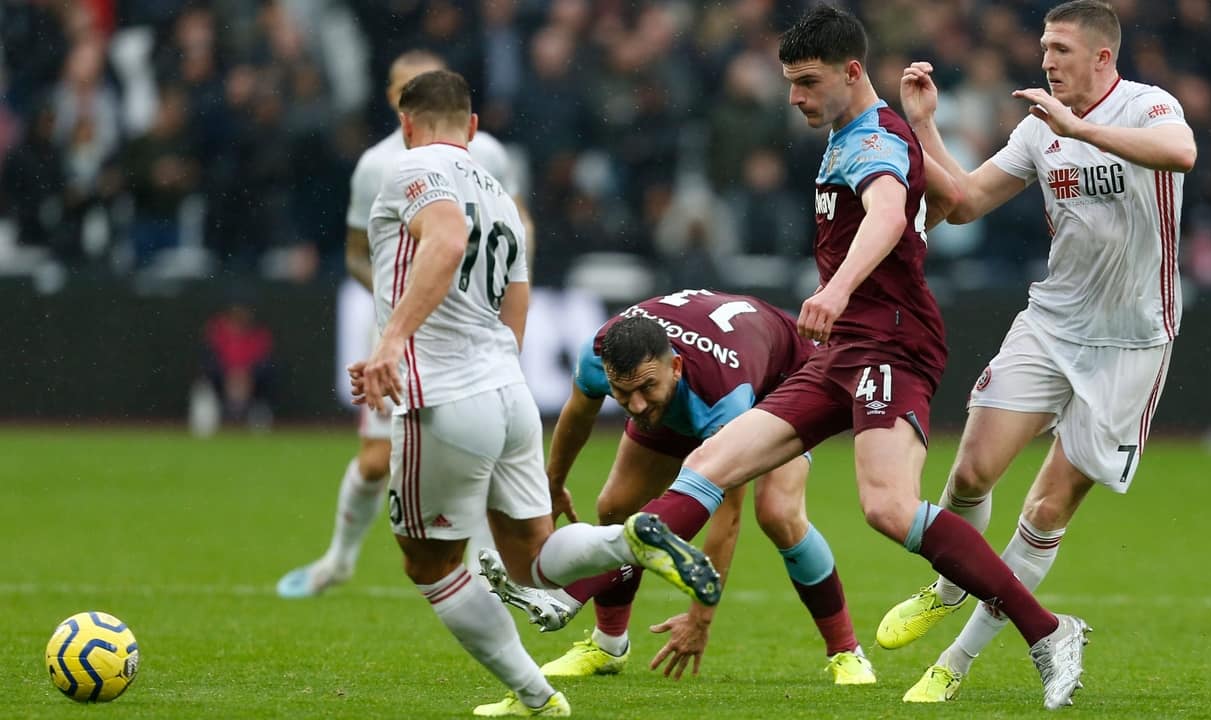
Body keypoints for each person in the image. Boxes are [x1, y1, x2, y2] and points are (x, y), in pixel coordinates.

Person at [566, 5, 1091, 711]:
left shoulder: (872, 138)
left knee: (887, 507)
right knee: (708, 464)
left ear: (851, 71)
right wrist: (926, 131)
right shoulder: (866, 133)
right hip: (844, 349)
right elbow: (956, 201)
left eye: (807, 82)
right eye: (789, 82)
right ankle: (576, 588)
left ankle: (1049, 630)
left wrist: (838, 288)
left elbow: (882, 214)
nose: (795, 97)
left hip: (890, 344)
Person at [350, 69, 719, 717]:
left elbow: (444, 240)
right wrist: (494, 372)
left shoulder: (407, 168)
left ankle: (536, 696)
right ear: (472, 126)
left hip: (441, 395)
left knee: (428, 564)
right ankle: (633, 539)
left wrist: (388, 345)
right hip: (507, 392)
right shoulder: (499, 192)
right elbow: (515, 294)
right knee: (532, 561)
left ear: (407, 124)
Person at [877, 0, 1195, 703]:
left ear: (1102, 58)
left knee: (1046, 512)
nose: (1046, 60)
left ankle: (955, 664)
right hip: (1051, 323)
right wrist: (925, 125)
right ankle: (948, 586)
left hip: (1132, 341)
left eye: (1060, 49)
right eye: (1044, 47)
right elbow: (960, 203)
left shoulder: (1149, 106)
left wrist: (1081, 129)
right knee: (969, 473)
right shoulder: (1038, 127)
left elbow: (1183, 155)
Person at [482, 289, 875, 684]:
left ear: (676, 367)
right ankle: (608, 644)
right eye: (623, 393)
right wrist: (554, 485)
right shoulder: (598, 355)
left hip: (781, 378)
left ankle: (846, 651)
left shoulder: (723, 399)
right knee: (616, 507)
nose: (635, 405)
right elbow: (578, 415)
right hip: (693, 385)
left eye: (645, 389)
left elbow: (727, 516)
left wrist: (699, 618)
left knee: (778, 514)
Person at [277, 50, 524, 599]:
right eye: (404, 84)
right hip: (399, 328)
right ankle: (339, 560)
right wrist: (406, 307)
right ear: (394, 98)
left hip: (471, 335)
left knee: (480, 447)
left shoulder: (489, 156)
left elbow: (515, 224)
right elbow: (357, 253)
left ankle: (489, 576)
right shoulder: (377, 166)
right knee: (373, 462)